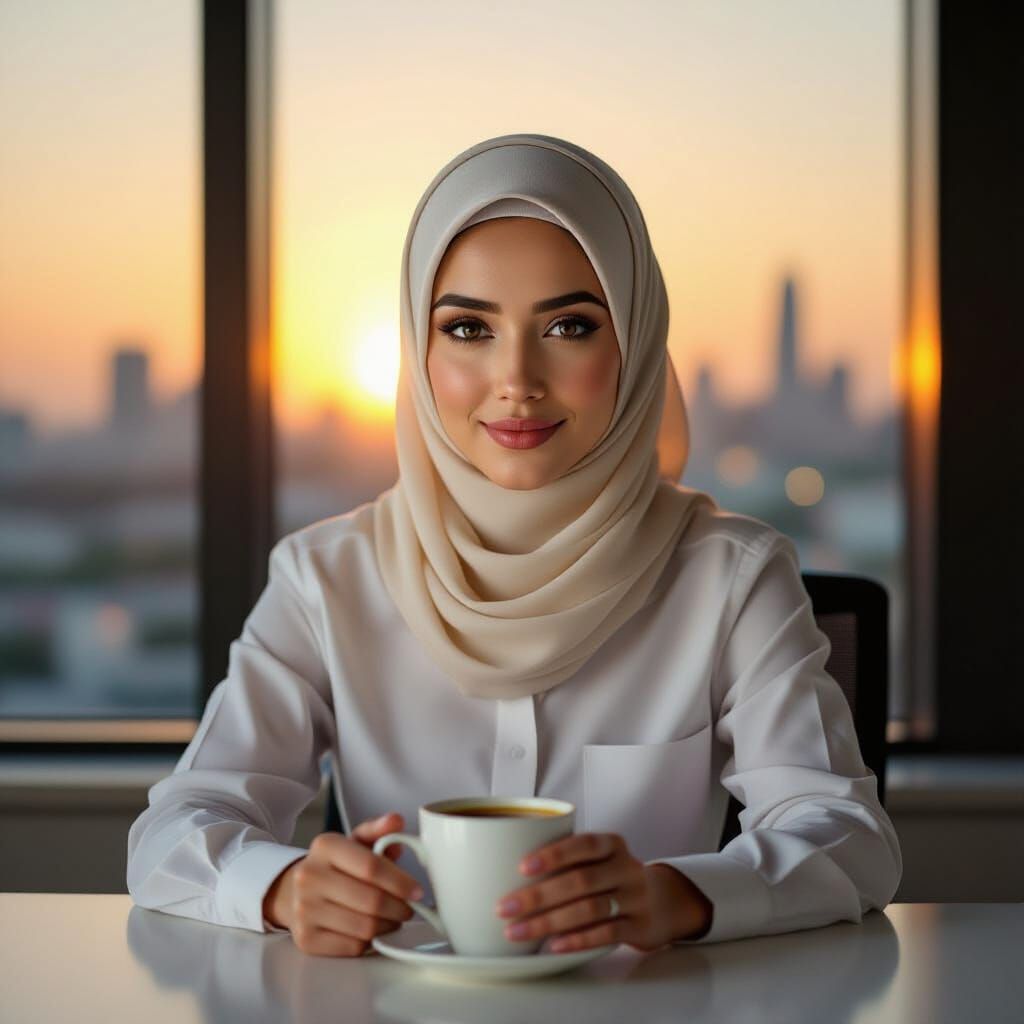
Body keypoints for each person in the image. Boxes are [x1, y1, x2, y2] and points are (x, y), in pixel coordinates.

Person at [127, 133, 902, 958]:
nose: (517, 378)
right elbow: (173, 831)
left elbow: (850, 838)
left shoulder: (731, 578)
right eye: (467, 329)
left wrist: (677, 896)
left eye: (569, 325)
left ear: (636, 345)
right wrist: (281, 888)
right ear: (418, 354)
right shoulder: (326, 578)